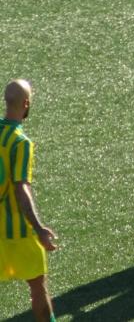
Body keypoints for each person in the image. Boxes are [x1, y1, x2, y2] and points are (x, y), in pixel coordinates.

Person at [0, 79, 58, 322]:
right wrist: (39, 228)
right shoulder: (20, 142)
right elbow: (21, 188)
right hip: (19, 232)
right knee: (37, 286)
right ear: (26, 104)